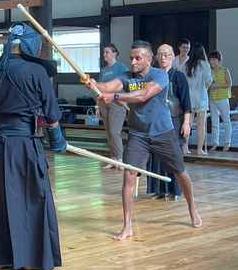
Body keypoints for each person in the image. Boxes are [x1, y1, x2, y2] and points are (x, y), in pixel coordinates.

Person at [86, 40, 201, 241]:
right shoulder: (125, 76)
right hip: (139, 134)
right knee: (129, 175)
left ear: (149, 60)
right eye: (131, 58)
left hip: (162, 132)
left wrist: (114, 97)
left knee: (180, 172)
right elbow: (107, 86)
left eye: (138, 58)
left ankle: (192, 208)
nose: (133, 62)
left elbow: (143, 95)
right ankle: (127, 226)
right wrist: (94, 84)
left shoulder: (159, 75)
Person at [0, 23, 66, 270]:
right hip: (25, 143)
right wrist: (57, 139)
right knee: (36, 197)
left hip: (0, 144)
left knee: (2, 200)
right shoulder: (36, 71)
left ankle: (1, 259)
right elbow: (51, 113)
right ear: (32, 45)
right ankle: (34, 257)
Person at [146, 44, 191, 201]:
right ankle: (158, 190)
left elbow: (186, 104)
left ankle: (174, 191)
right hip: (155, 123)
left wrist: (186, 123)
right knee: (155, 158)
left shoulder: (179, 77)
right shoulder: (152, 77)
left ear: (173, 57)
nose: (163, 57)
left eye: (166, 54)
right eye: (160, 55)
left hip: (173, 122)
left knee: (173, 158)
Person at [95, 44, 128, 169]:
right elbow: (98, 89)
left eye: (107, 52)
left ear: (114, 54)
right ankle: (113, 159)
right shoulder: (103, 70)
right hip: (103, 103)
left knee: (115, 132)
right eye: (104, 52)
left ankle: (120, 159)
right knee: (109, 132)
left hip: (116, 104)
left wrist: (123, 98)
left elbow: (127, 84)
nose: (105, 54)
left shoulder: (121, 67)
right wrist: (97, 106)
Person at [183, 43, 213, 155]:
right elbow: (208, 81)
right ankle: (200, 149)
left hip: (188, 97)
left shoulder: (186, 65)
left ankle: (185, 148)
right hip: (201, 96)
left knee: (187, 124)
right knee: (201, 124)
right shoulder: (205, 65)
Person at [208, 51, 232, 152]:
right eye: (211, 59)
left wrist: (218, 85)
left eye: (214, 59)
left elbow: (229, 84)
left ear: (219, 60)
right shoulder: (209, 72)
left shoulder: (225, 70)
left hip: (223, 98)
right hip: (212, 98)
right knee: (214, 121)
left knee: (226, 120)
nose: (212, 61)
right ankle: (215, 142)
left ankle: (227, 142)